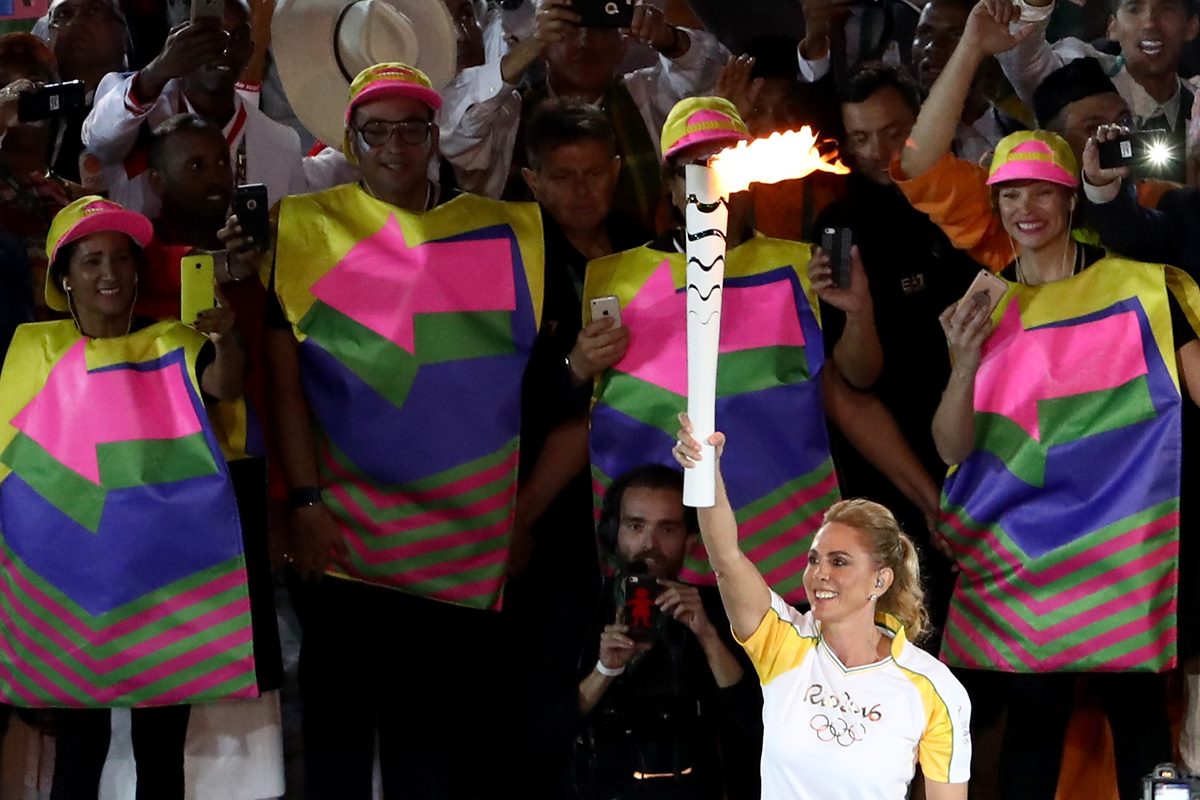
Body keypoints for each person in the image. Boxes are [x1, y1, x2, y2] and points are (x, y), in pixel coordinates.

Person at [261, 62, 545, 799]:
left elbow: (517, 386)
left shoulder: (494, 229)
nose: (395, 145)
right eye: (376, 130)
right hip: (344, 534)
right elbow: (286, 384)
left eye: (410, 128)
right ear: (350, 140)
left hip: (457, 542)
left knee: (431, 748)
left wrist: (515, 514)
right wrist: (306, 502)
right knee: (337, 744)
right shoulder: (308, 232)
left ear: (433, 138)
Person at [0, 196, 266, 800]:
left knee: (161, 758)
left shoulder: (174, 341)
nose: (110, 274)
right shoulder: (28, 353)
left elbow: (224, 388)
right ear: (64, 276)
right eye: (92, 261)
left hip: (163, 593)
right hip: (68, 599)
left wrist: (225, 340)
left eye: (121, 259)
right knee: (78, 755)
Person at [583, 96, 878, 610]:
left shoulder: (797, 266)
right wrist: (573, 365)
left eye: (725, 162)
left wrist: (857, 313)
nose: (710, 181)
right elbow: (581, 412)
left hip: (783, 546)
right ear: (672, 189)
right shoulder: (615, 277)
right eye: (693, 170)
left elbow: (855, 382)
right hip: (657, 552)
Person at [671, 417, 972, 800]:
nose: (820, 574)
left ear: (880, 581)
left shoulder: (934, 688)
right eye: (814, 560)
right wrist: (705, 471)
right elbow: (727, 560)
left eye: (839, 561)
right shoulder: (784, 642)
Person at [809, 61, 985, 639]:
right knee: (915, 639)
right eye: (859, 137)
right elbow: (854, 380)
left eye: (892, 132)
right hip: (894, 464)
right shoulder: (841, 226)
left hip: (989, 442)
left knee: (1002, 654)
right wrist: (857, 311)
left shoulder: (967, 203)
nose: (877, 150)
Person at [438, 0, 727, 228]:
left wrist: (669, 39)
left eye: (602, 27)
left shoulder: (647, 96)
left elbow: (709, 77)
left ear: (623, 43)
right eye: (570, 27)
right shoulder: (506, 116)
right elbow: (451, 129)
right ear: (544, 42)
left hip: (643, 285)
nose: (585, 41)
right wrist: (528, 47)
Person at [571, 464, 761, 800]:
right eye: (636, 526)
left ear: (689, 540)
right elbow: (543, 730)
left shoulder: (716, 609)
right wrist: (605, 670)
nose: (650, 544)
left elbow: (755, 723)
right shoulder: (579, 610)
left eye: (667, 529)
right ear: (614, 531)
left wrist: (707, 636)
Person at [81, 0, 305, 215]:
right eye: (210, 35)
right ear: (180, 39)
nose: (223, 50)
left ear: (250, 50)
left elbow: (291, 235)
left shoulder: (282, 143)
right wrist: (157, 72)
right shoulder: (131, 98)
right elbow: (97, 140)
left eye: (236, 37)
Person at [997, 0, 1198, 182]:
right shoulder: (1078, 74)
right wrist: (1035, 4)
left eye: (1167, 7)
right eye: (1134, 8)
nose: (1150, 23)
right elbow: (1023, 54)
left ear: (1192, 27)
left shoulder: (1196, 103)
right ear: (1113, 27)